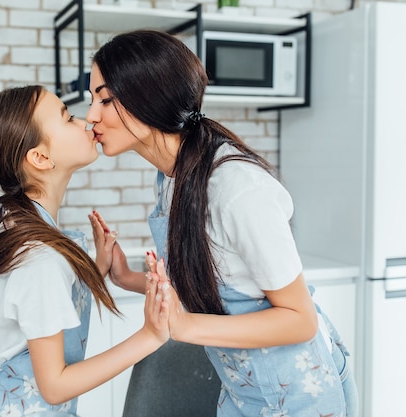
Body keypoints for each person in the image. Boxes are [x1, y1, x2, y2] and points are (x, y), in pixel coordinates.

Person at [86, 30, 359, 417]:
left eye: (105, 98)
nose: (90, 115)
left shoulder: (237, 189)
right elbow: (207, 282)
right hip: (243, 391)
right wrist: (126, 276)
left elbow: (300, 321)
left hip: (303, 395)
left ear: (148, 96)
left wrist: (185, 327)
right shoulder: (170, 178)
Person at [0, 85, 170, 417]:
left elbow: (46, 305)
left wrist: (95, 269)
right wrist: (150, 336)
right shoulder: (39, 257)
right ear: (40, 158)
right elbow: (54, 387)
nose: (85, 120)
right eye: (68, 118)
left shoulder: (22, 221)